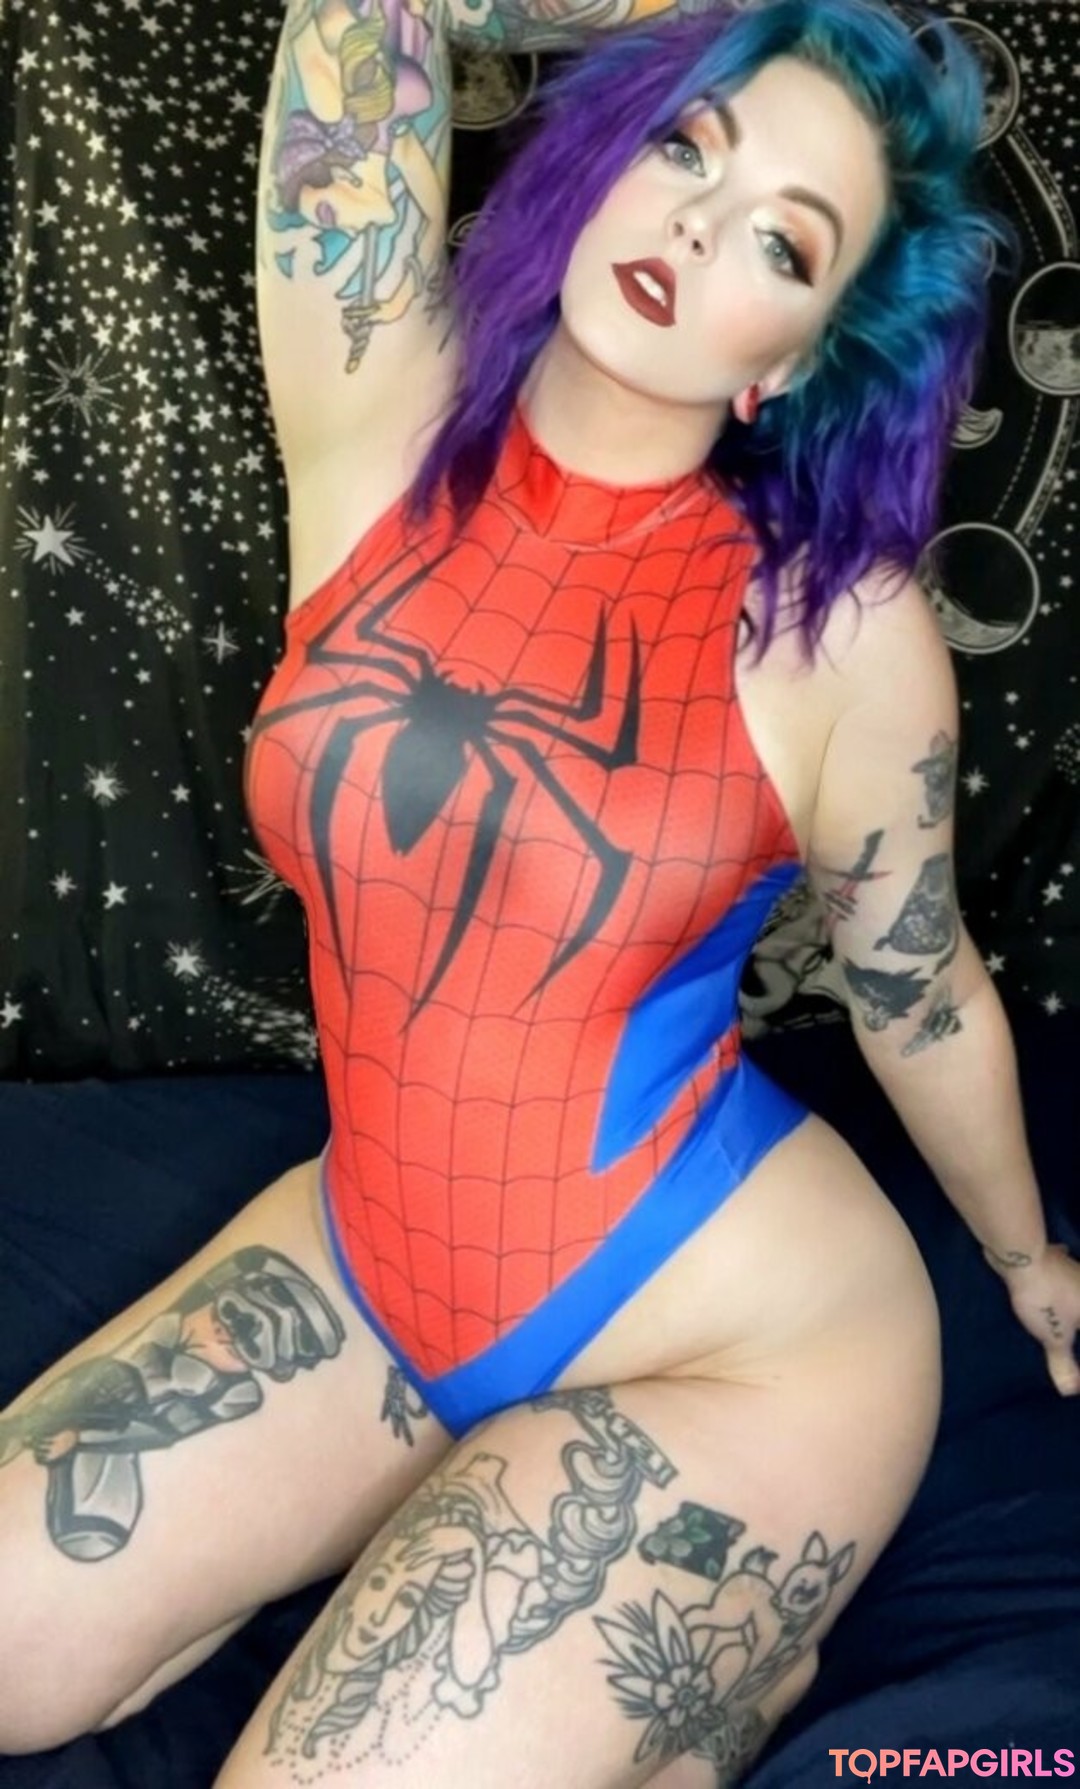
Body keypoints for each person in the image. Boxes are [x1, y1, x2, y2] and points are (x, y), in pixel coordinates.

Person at [2, 0, 1078, 1782]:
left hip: (732, 1349)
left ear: (798, 358)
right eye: (685, 144)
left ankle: (719, 1689)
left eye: (783, 242)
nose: (698, 226)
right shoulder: (375, 414)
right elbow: (365, 25)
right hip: (369, 1261)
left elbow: (918, 981)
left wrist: (1031, 1258)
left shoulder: (830, 633)